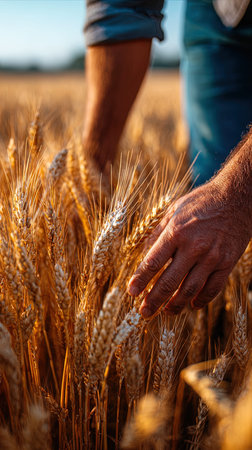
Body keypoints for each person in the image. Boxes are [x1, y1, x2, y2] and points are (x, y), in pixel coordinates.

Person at [83, 0, 252, 318]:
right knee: (207, 218)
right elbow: (122, 7)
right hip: (217, 11)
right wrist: (92, 170)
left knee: (226, 205)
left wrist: (238, 192)